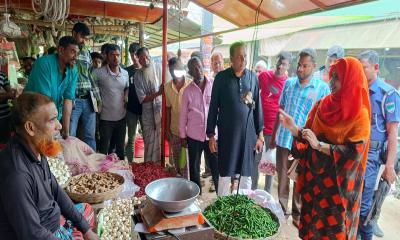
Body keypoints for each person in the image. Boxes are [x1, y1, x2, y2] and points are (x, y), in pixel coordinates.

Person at [279, 57, 371, 240]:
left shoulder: (359, 115)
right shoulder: (323, 105)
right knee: (310, 229)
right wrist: (293, 128)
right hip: (314, 185)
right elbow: (308, 137)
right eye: (332, 75)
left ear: (350, 79)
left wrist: (320, 146)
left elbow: (354, 154)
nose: (331, 81)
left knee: (333, 233)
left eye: (337, 77)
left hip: (338, 192)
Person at [0, 92, 98, 240]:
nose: (59, 125)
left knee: (87, 210)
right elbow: (31, 234)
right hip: (42, 233)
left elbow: (57, 192)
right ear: (30, 128)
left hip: (52, 221)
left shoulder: (36, 148)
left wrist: (86, 229)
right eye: (52, 120)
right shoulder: (17, 175)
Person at [269, 48, 330, 227]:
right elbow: (279, 111)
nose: (301, 69)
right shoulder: (289, 84)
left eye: (305, 66)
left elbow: (323, 119)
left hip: (304, 144)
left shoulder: (322, 89)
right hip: (283, 140)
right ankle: (281, 211)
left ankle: (297, 213)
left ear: (313, 66)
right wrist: (273, 136)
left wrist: (317, 143)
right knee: (282, 178)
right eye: (299, 65)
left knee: (300, 180)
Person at [207, 41, 264, 196]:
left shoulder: (253, 78)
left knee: (246, 174)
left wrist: (260, 135)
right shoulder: (221, 78)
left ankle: (243, 205)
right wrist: (211, 135)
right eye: (239, 56)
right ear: (231, 59)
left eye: (245, 56)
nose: (243, 59)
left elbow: (258, 107)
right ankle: (222, 206)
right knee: (225, 173)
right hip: (228, 135)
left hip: (248, 136)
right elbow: (213, 108)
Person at [357, 50, 400, 240]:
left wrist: (389, 166)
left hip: (372, 156)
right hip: (354, 153)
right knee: (351, 202)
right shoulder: (357, 90)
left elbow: (392, 134)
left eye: (363, 67)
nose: (360, 71)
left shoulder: (387, 94)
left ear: (375, 68)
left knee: (365, 209)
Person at [25, 36, 79, 139]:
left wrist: (66, 132)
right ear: (61, 50)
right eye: (72, 52)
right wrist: (55, 126)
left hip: (51, 118)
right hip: (32, 117)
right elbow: (45, 101)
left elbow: (68, 100)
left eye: (77, 53)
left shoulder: (73, 69)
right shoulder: (44, 63)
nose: (76, 56)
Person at [252, 51, 291, 192]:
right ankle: (253, 191)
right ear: (276, 61)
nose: (280, 66)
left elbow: (286, 107)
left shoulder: (288, 83)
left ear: (288, 66)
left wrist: (279, 132)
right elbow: (254, 94)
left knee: (270, 164)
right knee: (255, 162)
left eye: (284, 64)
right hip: (259, 128)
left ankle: (267, 194)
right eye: (279, 62)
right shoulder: (264, 76)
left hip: (275, 131)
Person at [180, 57, 219, 195]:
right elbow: (183, 115)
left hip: (211, 136)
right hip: (194, 136)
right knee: (194, 167)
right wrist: (182, 136)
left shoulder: (213, 85)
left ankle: (221, 194)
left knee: (216, 166)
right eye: (194, 68)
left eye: (200, 66)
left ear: (203, 66)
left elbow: (219, 109)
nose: (198, 70)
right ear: (190, 72)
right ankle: (196, 195)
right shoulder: (187, 91)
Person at [69, 22, 102, 151]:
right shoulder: (67, 50)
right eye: (82, 37)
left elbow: (91, 76)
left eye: (86, 38)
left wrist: (98, 99)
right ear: (74, 33)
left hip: (89, 99)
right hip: (73, 99)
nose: (84, 41)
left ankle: (91, 163)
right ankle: (69, 164)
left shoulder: (87, 53)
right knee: (69, 135)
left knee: (90, 136)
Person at [94, 44, 128, 161]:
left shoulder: (125, 73)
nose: (115, 58)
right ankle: (103, 175)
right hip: (106, 119)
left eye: (118, 55)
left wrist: (126, 95)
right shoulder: (99, 73)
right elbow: (93, 89)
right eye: (112, 55)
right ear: (107, 57)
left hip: (121, 118)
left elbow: (126, 87)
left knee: (120, 151)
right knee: (104, 149)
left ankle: (121, 175)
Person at [134, 47, 163, 162]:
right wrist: (158, 93)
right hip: (147, 113)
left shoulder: (158, 68)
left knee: (160, 139)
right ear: (138, 60)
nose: (145, 60)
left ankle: (159, 166)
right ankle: (150, 164)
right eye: (142, 58)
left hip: (160, 111)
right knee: (149, 141)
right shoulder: (137, 76)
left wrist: (159, 94)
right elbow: (143, 98)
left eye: (147, 57)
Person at [165, 57, 190, 176]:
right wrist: (167, 129)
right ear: (170, 71)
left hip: (190, 132)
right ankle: (180, 184)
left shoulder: (191, 84)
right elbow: (168, 109)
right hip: (174, 130)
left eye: (180, 69)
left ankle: (190, 187)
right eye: (174, 70)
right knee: (177, 163)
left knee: (188, 164)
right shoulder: (167, 87)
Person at [125, 42, 143, 162]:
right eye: (132, 56)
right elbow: (124, 89)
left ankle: (147, 164)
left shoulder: (146, 70)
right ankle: (130, 165)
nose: (134, 58)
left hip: (145, 109)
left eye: (136, 55)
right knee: (131, 138)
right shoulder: (127, 71)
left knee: (147, 138)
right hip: (131, 109)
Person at [0, 71, 16, 144]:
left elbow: (11, 95)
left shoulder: (2, 76)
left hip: (4, 118)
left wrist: (3, 95)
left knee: (5, 143)